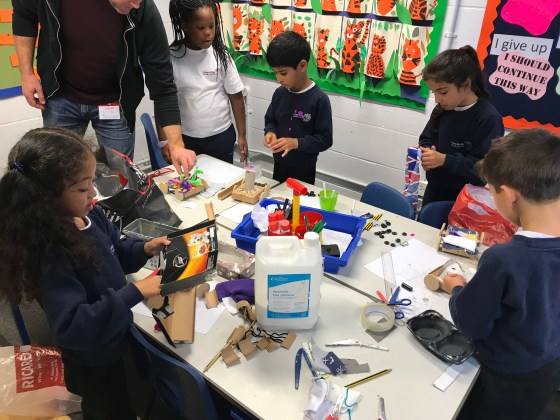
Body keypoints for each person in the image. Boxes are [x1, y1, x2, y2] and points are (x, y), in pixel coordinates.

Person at [0, 127, 170, 419]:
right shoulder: (52, 252)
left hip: (113, 332)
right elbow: (73, 327)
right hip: (93, 355)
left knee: (124, 395)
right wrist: (135, 291)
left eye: (93, 182)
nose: (93, 193)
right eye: (82, 188)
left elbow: (115, 251)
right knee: (106, 409)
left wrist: (143, 249)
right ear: (46, 197)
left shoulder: (90, 214)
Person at [442, 128, 560, 420]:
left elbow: (471, 324)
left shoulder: (504, 260)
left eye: (492, 191)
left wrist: (456, 288)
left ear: (508, 195)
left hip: (501, 379)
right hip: (546, 368)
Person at [12, 0, 196, 174]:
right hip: (61, 98)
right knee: (59, 173)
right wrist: (26, 74)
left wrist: (176, 146)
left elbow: (162, 83)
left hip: (115, 103)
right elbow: (24, 16)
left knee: (120, 175)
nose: (136, 4)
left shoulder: (143, 7)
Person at [160, 0, 248, 164]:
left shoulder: (221, 56)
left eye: (211, 26)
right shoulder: (172, 58)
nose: (208, 33)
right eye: (200, 28)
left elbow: (236, 98)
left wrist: (242, 135)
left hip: (221, 136)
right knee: (192, 178)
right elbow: (162, 100)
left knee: (223, 177)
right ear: (185, 26)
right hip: (186, 138)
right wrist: (164, 140)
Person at [419, 45, 504, 205]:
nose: (437, 99)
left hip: (466, 198)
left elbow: (482, 169)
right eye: (433, 92)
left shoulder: (489, 118)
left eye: (443, 92)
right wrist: (427, 152)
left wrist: (445, 160)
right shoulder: (442, 109)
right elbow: (426, 138)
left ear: (465, 85)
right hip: (434, 190)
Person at [264, 31, 333, 184]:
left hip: (304, 170)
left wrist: (296, 143)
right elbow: (270, 120)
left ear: (302, 66)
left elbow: (325, 139)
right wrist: (270, 132)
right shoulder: (280, 93)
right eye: (275, 73)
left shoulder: (319, 99)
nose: (279, 79)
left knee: (299, 199)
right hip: (279, 164)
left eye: (283, 73)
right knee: (278, 197)